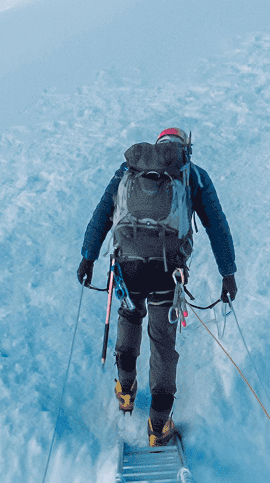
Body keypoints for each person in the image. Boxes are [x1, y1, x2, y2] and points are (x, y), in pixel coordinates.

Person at [77, 128, 237, 447]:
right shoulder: (193, 175)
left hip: (128, 263)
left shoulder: (129, 169)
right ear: (184, 147)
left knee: (130, 316)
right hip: (168, 268)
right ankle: (159, 424)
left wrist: (88, 257)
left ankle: (125, 390)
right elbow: (216, 224)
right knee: (163, 342)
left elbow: (102, 214)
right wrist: (228, 273)